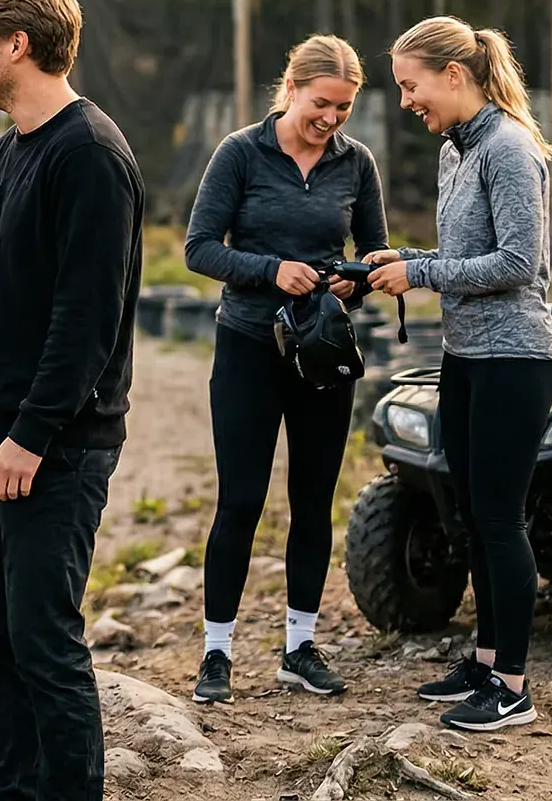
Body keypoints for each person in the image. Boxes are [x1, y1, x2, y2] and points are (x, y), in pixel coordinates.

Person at [0, 0, 143, 801]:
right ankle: (14, 790)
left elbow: (85, 323)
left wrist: (29, 434)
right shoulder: (5, 151)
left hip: (53, 447)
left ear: (18, 43)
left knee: (45, 639)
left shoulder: (89, 155)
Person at [366, 15, 552, 733]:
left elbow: (517, 264)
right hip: (466, 355)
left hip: (515, 356)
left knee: (501, 519)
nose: (406, 101)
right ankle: (484, 661)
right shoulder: (456, 150)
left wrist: (419, 271)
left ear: (456, 75)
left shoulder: (509, 148)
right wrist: (395, 264)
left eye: (412, 86)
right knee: (473, 517)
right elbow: (465, 253)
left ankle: (512, 687)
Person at [181, 35, 387, 705]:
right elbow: (200, 249)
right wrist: (272, 270)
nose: (331, 119)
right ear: (291, 87)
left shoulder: (356, 164)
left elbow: (375, 248)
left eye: (345, 109)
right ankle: (217, 653)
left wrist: (358, 278)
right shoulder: (241, 153)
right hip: (247, 345)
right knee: (239, 501)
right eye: (322, 104)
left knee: (313, 502)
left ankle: (300, 647)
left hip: (321, 350)